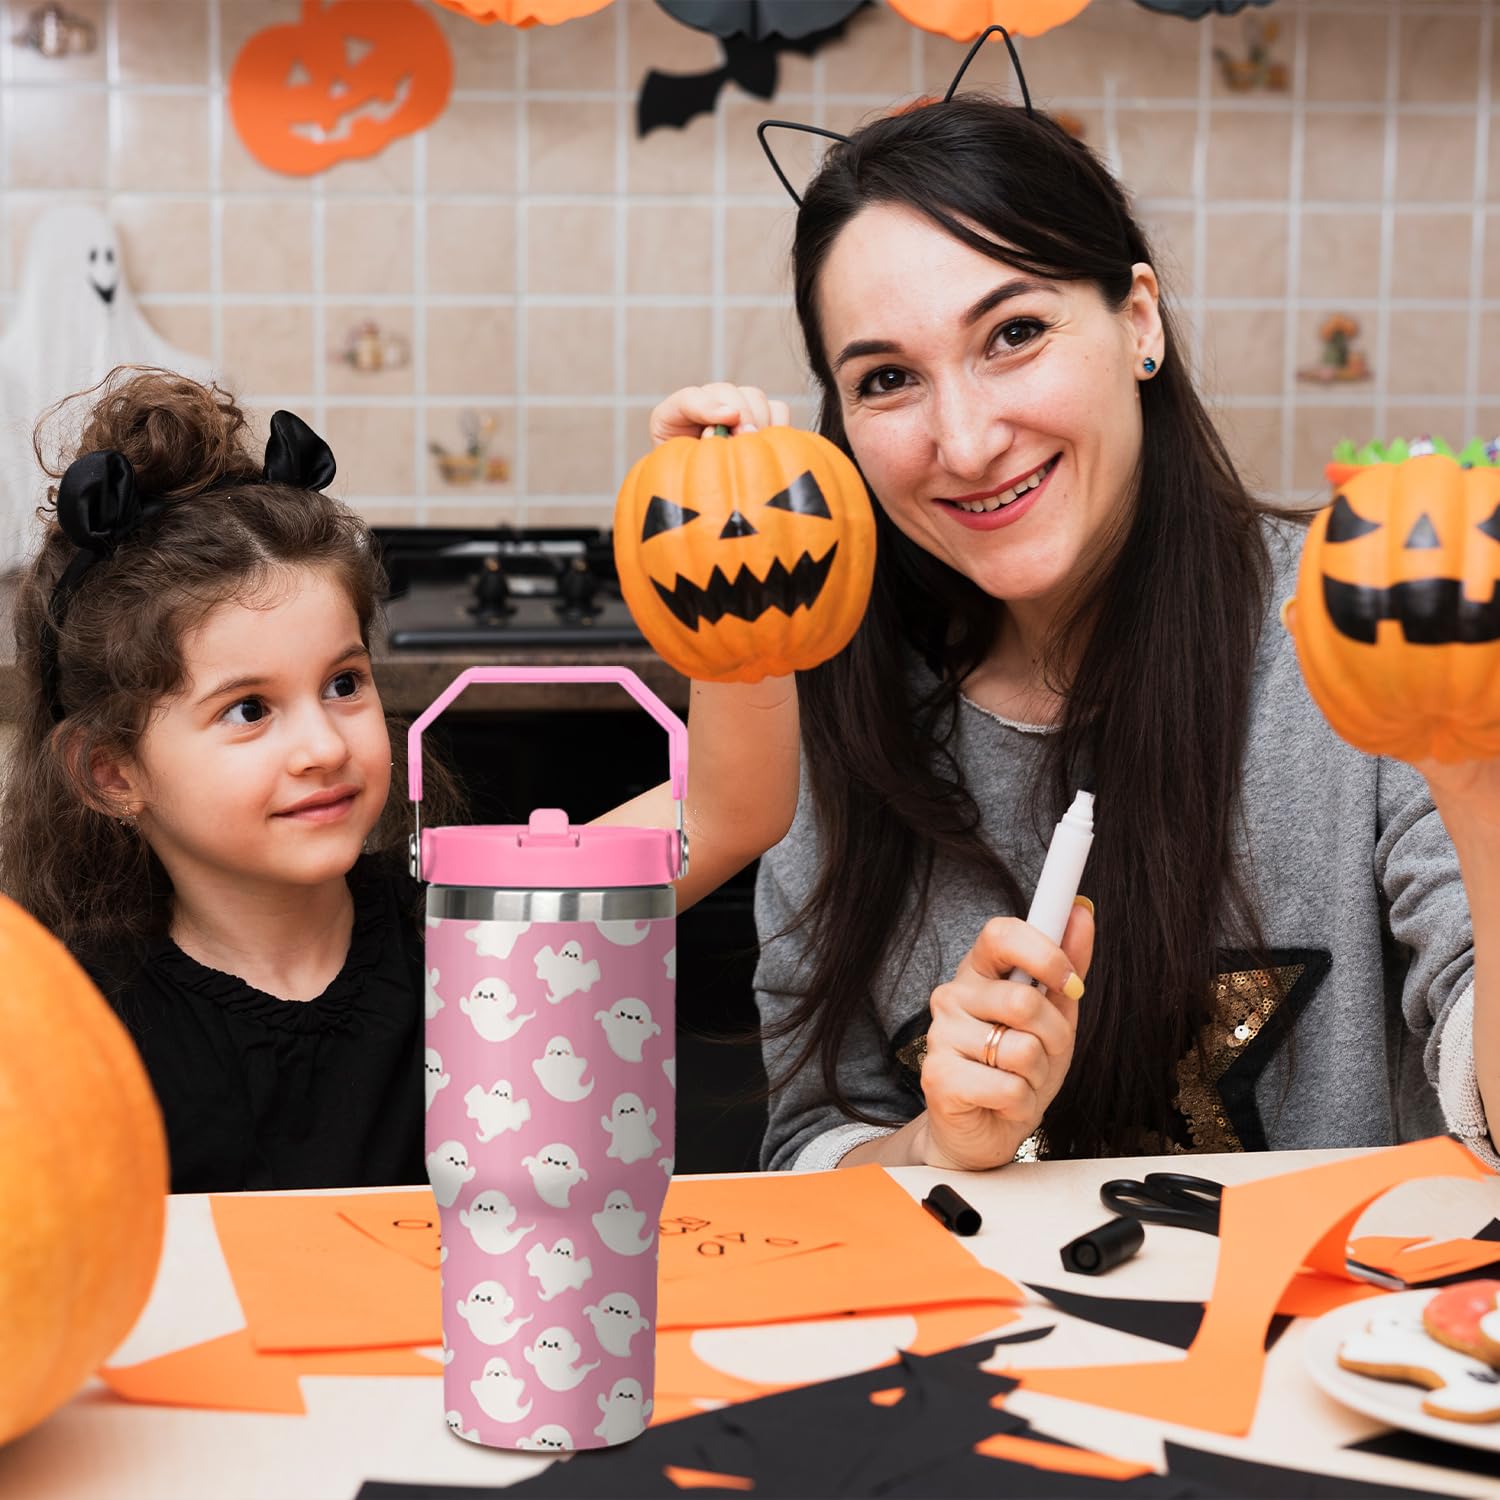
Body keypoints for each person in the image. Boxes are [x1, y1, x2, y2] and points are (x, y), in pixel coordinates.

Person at [647, 89, 1500, 1174]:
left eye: (1014, 334)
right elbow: (814, 1140)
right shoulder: (830, 709)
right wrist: (931, 1141)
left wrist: (1479, 784)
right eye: (888, 379)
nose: (963, 440)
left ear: (1137, 320)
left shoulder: (1361, 630)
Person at [0, 367, 795, 1193]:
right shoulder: (65, 1025)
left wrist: (722, 532)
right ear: (112, 772)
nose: (322, 746)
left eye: (343, 684)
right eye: (248, 710)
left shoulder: (480, 929)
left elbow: (727, 807)